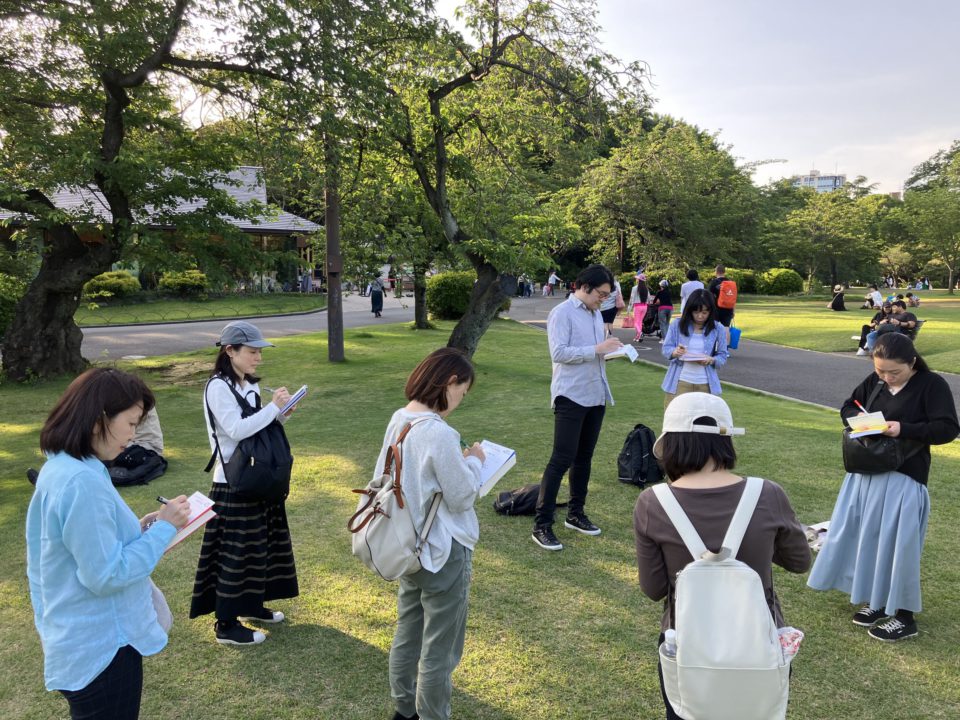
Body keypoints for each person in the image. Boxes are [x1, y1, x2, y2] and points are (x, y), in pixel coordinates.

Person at [26, 368, 191, 720]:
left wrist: (144, 528)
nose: (133, 436)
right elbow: (105, 575)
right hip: (102, 648)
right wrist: (164, 529)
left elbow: (86, 544)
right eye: (130, 423)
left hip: (81, 639)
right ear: (99, 419)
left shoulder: (69, 466)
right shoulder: (80, 481)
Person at [634, 392, 811, 720]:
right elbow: (799, 562)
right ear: (726, 441)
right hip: (759, 642)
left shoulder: (652, 502)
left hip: (686, 645)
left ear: (670, 445)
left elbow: (653, 588)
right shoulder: (767, 494)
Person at [808, 333, 959, 641]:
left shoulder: (931, 385)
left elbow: (947, 428)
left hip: (904, 477)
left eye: (895, 372)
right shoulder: (875, 381)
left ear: (912, 362)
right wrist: (862, 421)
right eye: (880, 371)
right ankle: (877, 601)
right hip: (865, 474)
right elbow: (848, 407)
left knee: (899, 546)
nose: (887, 377)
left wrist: (903, 429)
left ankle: (905, 617)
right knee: (866, 539)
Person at [381, 348, 486, 720]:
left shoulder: (400, 418)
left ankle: (403, 708)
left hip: (406, 545)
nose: (460, 401)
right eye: (462, 392)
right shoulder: (439, 432)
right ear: (449, 382)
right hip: (443, 550)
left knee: (408, 632)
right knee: (440, 649)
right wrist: (474, 462)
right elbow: (462, 496)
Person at [191, 320, 299, 645]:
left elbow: (258, 427)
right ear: (230, 350)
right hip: (232, 481)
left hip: (257, 476)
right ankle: (226, 625)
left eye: (259, 352)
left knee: (260, 544)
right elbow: (236, 430)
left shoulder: (248, 385)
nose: (258, 358)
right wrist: (272, 408)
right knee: (234, 553)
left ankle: (252, 604)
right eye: (252, 352)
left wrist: (282, 412)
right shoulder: (217, 387)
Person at [532, 264, 622, 551]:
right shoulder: (562, 313)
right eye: (601, 294)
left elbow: (593, 352)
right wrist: (596, 350)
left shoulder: (595, 314)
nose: (603, 300)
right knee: (561, 459)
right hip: (571, 395)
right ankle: (542, 524)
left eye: (607, 296)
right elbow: (558, 353)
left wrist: (610, 351)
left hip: (596, 393)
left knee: (584, 458)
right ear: (584, 287)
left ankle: (576, 513)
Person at [660, 289, 729, 409]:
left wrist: (711, 359)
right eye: (696, 312)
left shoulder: (718, 328)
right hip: (680, 381)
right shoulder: (677, 324)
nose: (700, 316)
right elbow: (666, 349)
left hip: (705, 383)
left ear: (711, 311)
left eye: (704, 312)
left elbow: (722, 355)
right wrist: (675, 352)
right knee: (676, 417)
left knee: (703, 419)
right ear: (690, 310)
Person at [629, 273, 650, 343]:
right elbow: (649, 298)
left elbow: (632, 298)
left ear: (638, 280)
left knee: (635, 322)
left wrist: (629, 308)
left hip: (637, 306)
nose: (636, 279)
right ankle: (637, 337)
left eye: (637, 279)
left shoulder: (634, 288)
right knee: (640, 322)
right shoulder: (646, 289)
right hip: (645, 306)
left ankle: (640, 333)